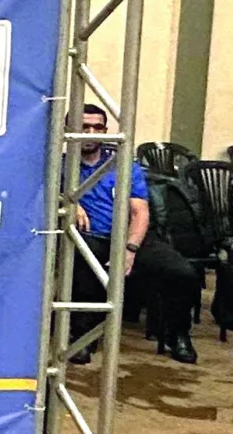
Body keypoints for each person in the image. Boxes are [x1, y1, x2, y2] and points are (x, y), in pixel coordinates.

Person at [70, 102, 200, 364]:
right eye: (84, 127)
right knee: (87, 265)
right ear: (69, 129)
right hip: (90, 236)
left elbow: (140, 212)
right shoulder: (60, 166)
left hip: (131, 236)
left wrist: (130, 249)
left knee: (182, 273)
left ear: (106, 131)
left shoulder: (123, 165)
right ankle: (82, 337)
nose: (91, 133)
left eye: (98, 127)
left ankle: (177, 333)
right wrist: (68, 201)